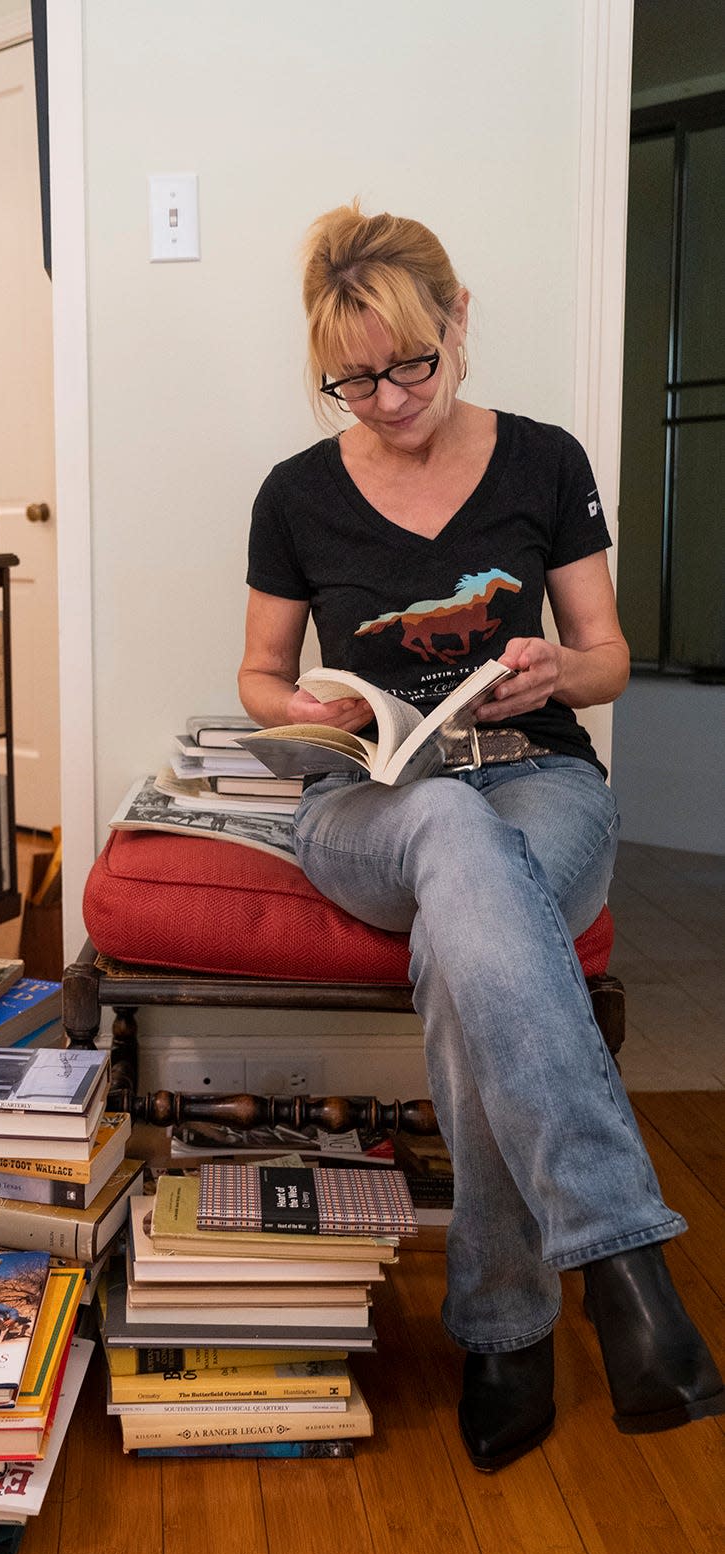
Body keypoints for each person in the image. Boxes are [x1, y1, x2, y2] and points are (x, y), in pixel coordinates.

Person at [237, 201, 724, 1472]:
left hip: (538, 783)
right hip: (371, 803)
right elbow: (256, 674)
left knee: (472, 934)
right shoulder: (294, 492)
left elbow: (611, 658)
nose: (387, 398)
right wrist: (299, 706)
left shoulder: (547, 461)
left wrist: (561, 669)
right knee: (441, 816)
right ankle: (624, 1267)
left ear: (458, 323)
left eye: (411, 363)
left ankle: (507, 1324)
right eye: (353, 377)